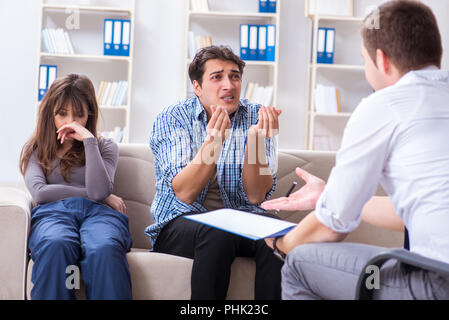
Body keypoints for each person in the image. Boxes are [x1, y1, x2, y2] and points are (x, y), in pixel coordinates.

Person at [262, 0, 449, 300]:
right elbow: (416, 210)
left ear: (382, 60)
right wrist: (329, 196)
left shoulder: (384, 105)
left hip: (437, 283)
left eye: (364, 60)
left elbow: (331, 228)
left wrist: (281, 243)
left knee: (298, 263)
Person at [146, 45, 284, 299]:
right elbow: (185, 192)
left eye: (234, 76)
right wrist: (214, 143)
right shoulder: (173, 118)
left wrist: (254, 140)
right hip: (181, 223)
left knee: (277, 237)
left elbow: (255, 196)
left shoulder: (256, 115)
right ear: (197, 87)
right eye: (217, 77)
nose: (228, 85)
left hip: (242, 220)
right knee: (218, 232)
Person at [20, 74, 133, 300]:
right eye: (62, 114)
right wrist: (104, 196)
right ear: (50, 113)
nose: (70, 122)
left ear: (88, 115)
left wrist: (89, 141)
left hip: (100, 216)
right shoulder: (35, 149)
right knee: (56, 244)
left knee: (103, 248)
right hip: (53, 214)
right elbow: (40, 194)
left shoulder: (105, 147)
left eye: (79, 115)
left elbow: (98, 192)